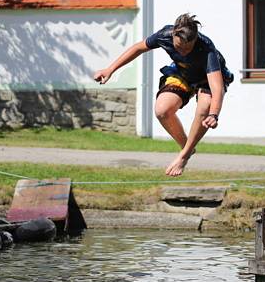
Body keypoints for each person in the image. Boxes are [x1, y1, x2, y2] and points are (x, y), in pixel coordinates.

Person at [94, 13, 233, 176]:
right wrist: (110, 69)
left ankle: (184, 156)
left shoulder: (206, 48)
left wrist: (214, 114)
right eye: (179, 48)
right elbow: (138, 48)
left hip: (206, 78)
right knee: (162, 110)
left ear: (195, 40)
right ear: (173, 34)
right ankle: (187, 148)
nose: (184, 52)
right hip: (183, 74)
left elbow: (216, 88)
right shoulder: (165, 35)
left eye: (188, 49)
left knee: (205, 107)